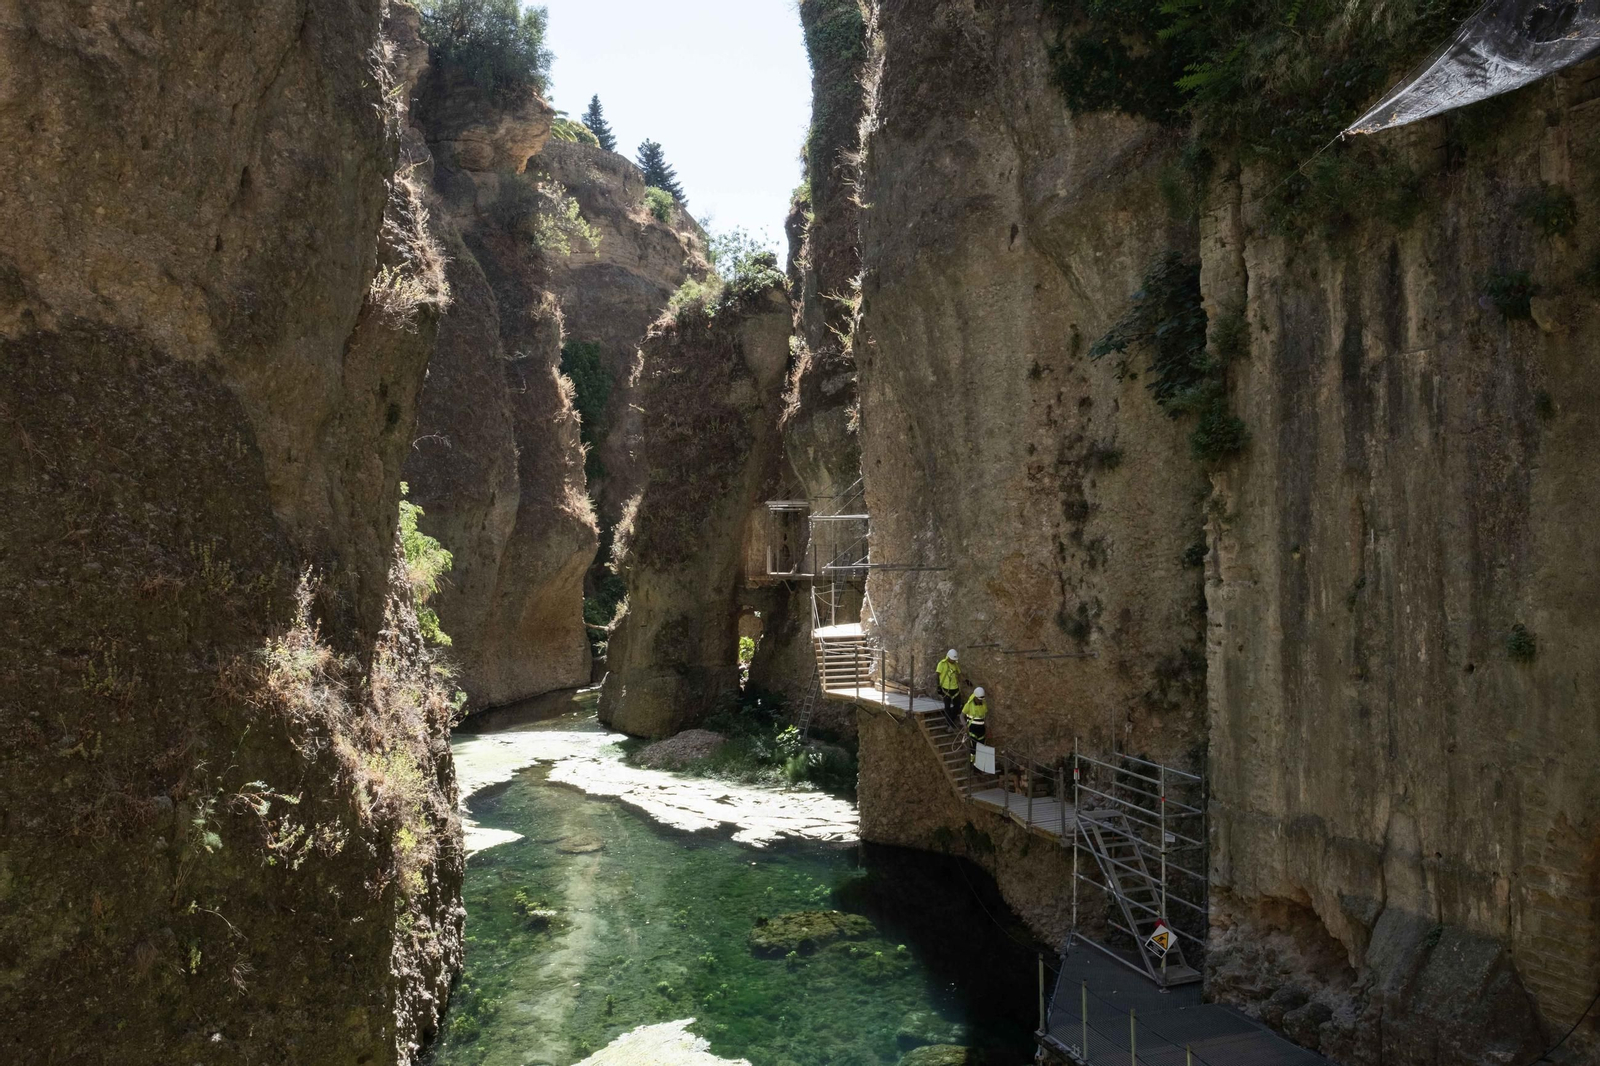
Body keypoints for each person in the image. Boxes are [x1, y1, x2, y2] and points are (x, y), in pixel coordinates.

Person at [935, 648, 961, 730]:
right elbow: (937, 675)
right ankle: (949, 724)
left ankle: (951, 721)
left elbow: (959, 673)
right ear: (948, 657)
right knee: (947, 707)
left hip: (955, 688)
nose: (953, 661)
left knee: (958, 705)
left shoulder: (955, 665)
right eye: (952, 659)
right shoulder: (942, 664)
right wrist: (938, 686)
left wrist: (966, 681)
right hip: (946, 688)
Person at [962, 687, 988, 764]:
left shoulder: (983, 703)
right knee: (973, 748)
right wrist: (965, 726)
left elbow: (985, 716)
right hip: (972, 729)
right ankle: (972, 764)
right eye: (979, 699)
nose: (980, 701)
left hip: (981, 730)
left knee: (981, 748)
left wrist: (988, 727)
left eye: (981, 699)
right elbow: (961, 716)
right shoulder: (969, 705)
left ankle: (979, 765)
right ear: (975, 697)